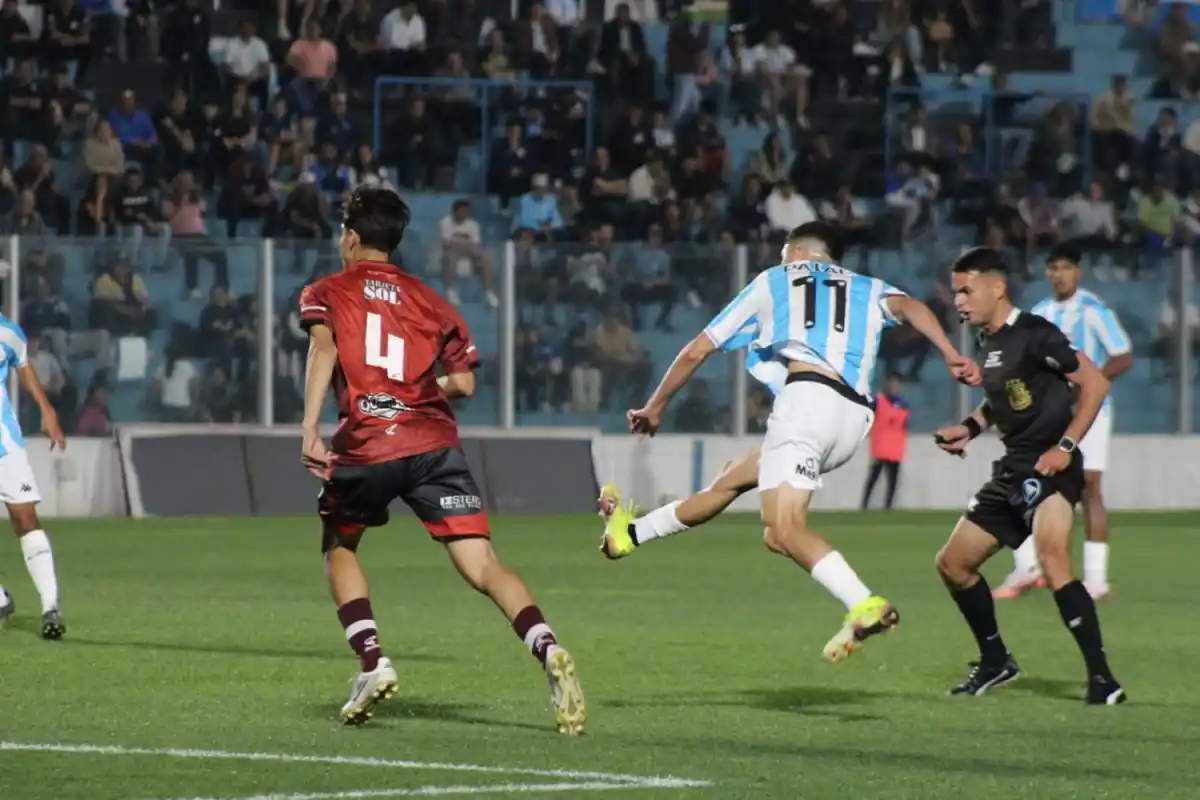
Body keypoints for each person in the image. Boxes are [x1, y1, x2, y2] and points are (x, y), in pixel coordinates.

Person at [600, 221, 980, 663]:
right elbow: (913, 307)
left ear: (798, 251)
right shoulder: (866, 285)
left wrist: (656, 406)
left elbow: (696, 350)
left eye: (783, 254)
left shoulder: (776, 280)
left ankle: (864, 603)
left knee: (783, 529)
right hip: (852, 420)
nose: (780, 262)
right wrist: (951, 351)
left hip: (807, 404)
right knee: (732, 484)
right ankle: (628, 534)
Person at [298, 187, 586, 732]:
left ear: (352, 237)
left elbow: (325, 348)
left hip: (367, 440)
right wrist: (413, 392)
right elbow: (463, 381)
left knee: (339, 543)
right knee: (483, 564)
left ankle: (371, 662)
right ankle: (548, 648)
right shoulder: (430, 300)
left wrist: (311, 426)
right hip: (434, 443)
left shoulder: (327, 291)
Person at [932, 246, 1125, 705]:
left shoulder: (1037, 334)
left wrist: (1065, 447)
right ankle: (996, 661)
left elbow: (1096, 383)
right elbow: (1005, 403)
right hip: (1014, 468)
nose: (958, 300)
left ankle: (1103, 680)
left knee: (1054, 558)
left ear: (997, 288)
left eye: (966, 290)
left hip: (1049, 464)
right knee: (953, 565)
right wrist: (970, 427)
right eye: (956, 291)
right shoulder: (990, 343)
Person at [993, 244, 1132, 601]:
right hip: (1047, 414)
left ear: (1077, 272)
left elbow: (1122, 355)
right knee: (1026, 482)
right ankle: (1027, 568)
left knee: (1089, 488)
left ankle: (1096, 579)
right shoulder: (1040, 312)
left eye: (1065, 267)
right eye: (1053, 268)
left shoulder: (1094, 310)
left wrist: (1089, 382)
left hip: (1092, 413)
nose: (1058, 274)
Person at [0, 314, 68, 638]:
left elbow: (23, 366)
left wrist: (47, 410)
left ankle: (50, 607)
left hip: (5, 446)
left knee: (25, 519)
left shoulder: (7, 332)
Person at [860, 373, 909, 510]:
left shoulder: (903, 404)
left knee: (893, 481)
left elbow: (903, 426)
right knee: (873, 478)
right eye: (892, 383)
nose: (894, 386)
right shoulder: (878, 401)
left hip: (895, 450)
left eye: (897, 384)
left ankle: (888, 507)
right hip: (880, 448)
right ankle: (864, 505)